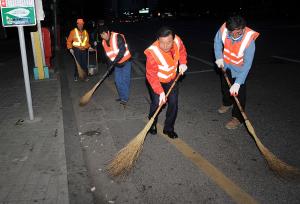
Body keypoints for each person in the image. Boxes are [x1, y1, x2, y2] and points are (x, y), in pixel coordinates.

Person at [214, 15, 259, 129]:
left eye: (238, 33)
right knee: (225, 86)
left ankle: (238, 118)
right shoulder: (224, 28)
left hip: (240, 69)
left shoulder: (249, 40)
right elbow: (217, 41)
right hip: (225, 64)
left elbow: (247, 65)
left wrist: (238, 83)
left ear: (243, 29)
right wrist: (219, 57)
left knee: (239, 94)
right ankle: (227, 103)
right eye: (232, 33)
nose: (234, 36)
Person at [144, 26, 188, 139]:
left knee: (173, 103)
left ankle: (168, 128)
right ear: (158, 40)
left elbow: (182, 50)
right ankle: (152, 124)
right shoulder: (152, 53)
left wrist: (183, 62)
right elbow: (151, 75)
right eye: (162, 43)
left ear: (173, 39)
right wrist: (160, 92)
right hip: (157, 81)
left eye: (168, 42)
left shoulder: (177, 41)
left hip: (171, 78)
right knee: (156, 103)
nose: (165, 46)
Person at [98, 25, 132, 105]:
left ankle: (125, 98)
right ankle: (122, 96)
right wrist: (109, 65)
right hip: (117, 64)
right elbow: (109, 55)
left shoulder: (117, 37)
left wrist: (114, 62)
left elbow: (122, 50)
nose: (102, 37)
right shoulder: (104, 42)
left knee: (125, 81)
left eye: (103, 34)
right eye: (101, 35)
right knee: (117, 81)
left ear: (107, 32)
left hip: (126, 61)